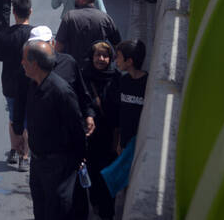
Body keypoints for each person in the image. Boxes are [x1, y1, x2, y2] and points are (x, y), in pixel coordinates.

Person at [19, 40, 86, 220]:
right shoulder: (33, 86)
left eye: (24, 59)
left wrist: (77, 160)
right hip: (38, 164)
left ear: (34, 64)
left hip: (59, 166)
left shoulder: (61, 92)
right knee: (40, 211)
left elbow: (77, 128)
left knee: (57, 212)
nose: (21, 63)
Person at [0, 0, 33, 169]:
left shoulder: (3, 35)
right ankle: (25, 156)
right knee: (28, 119)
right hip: (31, 82)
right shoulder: (35, 34)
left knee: (13, 117)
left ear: (14, 12)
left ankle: (14, 150)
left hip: (9, 82)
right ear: (30, 11)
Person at [82, 42, 120, 220]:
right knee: (93, 171)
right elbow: (82, 100)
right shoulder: (85, 75)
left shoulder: (117, 77)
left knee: (108, 174)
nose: (101, 59)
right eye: (98, 55)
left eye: (105, 56)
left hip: (110, 135)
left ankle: (107, 211)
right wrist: (89, 115)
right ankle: (96, 202)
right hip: (91, 134)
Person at [55, 0, 121, 67]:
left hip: (75, 68)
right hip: (97, 68)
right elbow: (117, 44)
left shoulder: (70, 17)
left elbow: (59, 46)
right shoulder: (105, 18)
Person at [114, 40, 148, 152]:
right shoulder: (123, 81)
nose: (116, 60)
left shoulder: (148, 83)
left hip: (140, 144)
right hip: (125, 143)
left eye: (118, 56)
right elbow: (122, 114)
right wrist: (119, 142)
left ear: (129, 61)